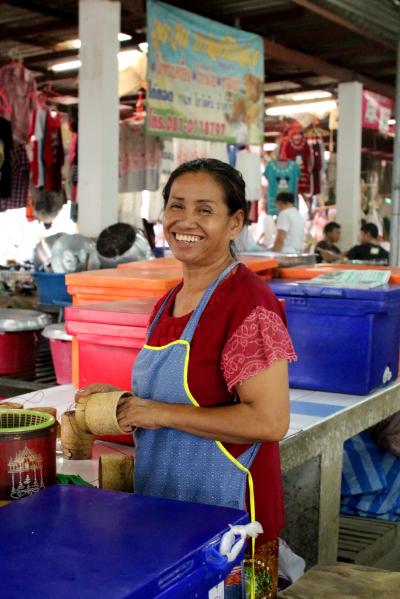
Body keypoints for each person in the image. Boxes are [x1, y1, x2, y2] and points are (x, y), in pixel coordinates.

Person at [77, 159, 296, 599]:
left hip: (232, 521)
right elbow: (171, 398)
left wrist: (156, 411)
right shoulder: (169, 302)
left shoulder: (248, 302)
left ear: (235, 222)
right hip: (170, 507)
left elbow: (270, 422)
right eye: (177, 206)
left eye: (205, 209)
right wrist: (120, 403)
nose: (186, 221)